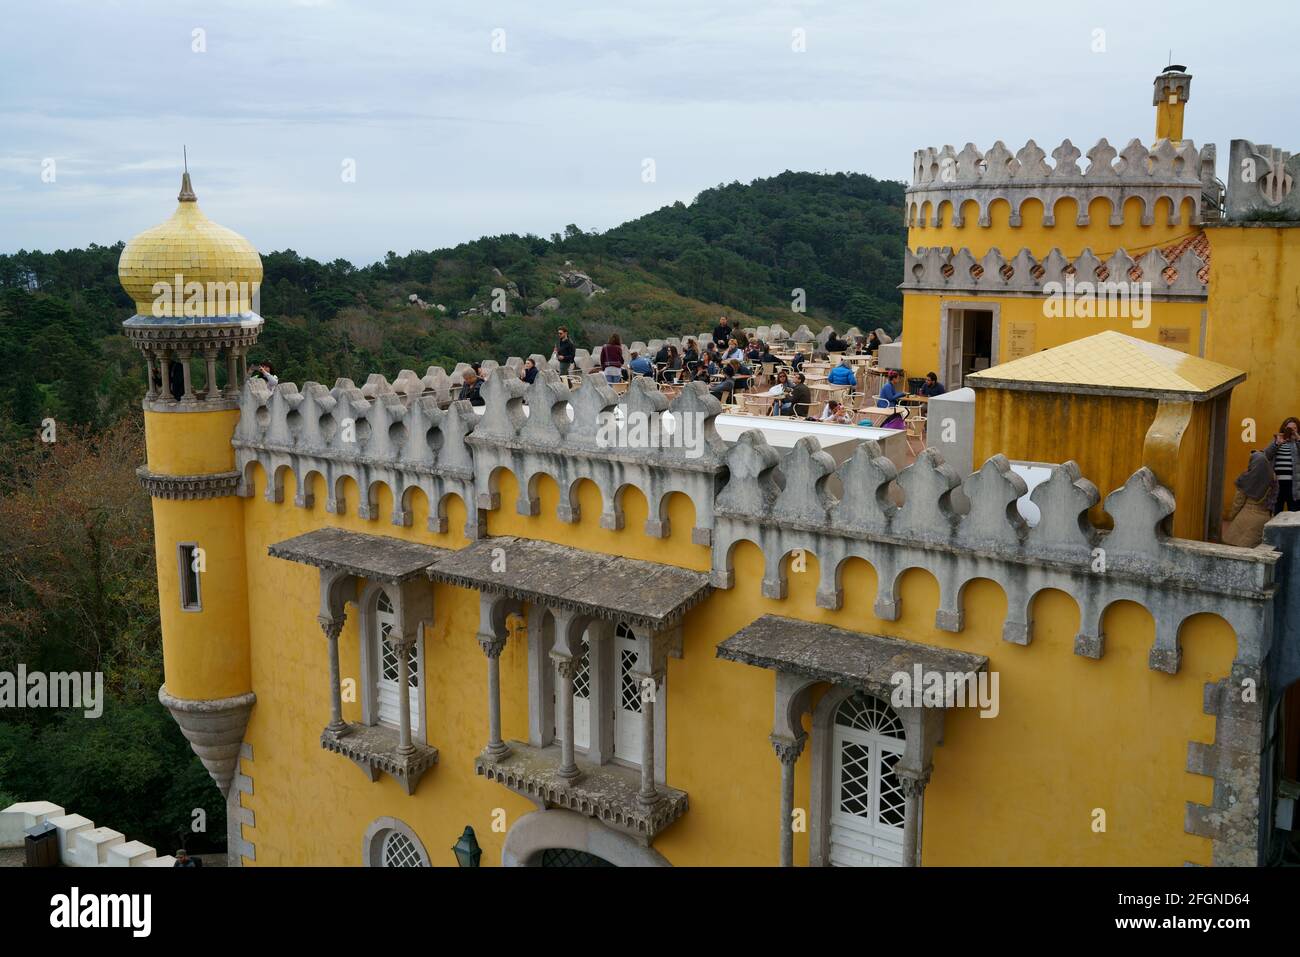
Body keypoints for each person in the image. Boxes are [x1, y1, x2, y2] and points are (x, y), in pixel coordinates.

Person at [1222, 452, 1278, 547]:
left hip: (1243, 518)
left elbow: (1238, 501)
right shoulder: (1273, 477)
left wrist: (1232, 516)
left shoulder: (1247, 477)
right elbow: (1274, 499)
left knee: (1234, 548)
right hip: (1264, 519)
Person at [1264, 417, 1299, 513]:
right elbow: (1266, 455)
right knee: (1276, 513)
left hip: (1294, 486)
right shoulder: (1277, 441)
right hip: (1277, 485)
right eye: (1289, 428)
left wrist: (1298, 439)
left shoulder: (1298, 443)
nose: (1291, 430)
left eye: (1294, 428)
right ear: (1284, 428)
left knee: (1294, 515)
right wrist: (1276, 443)